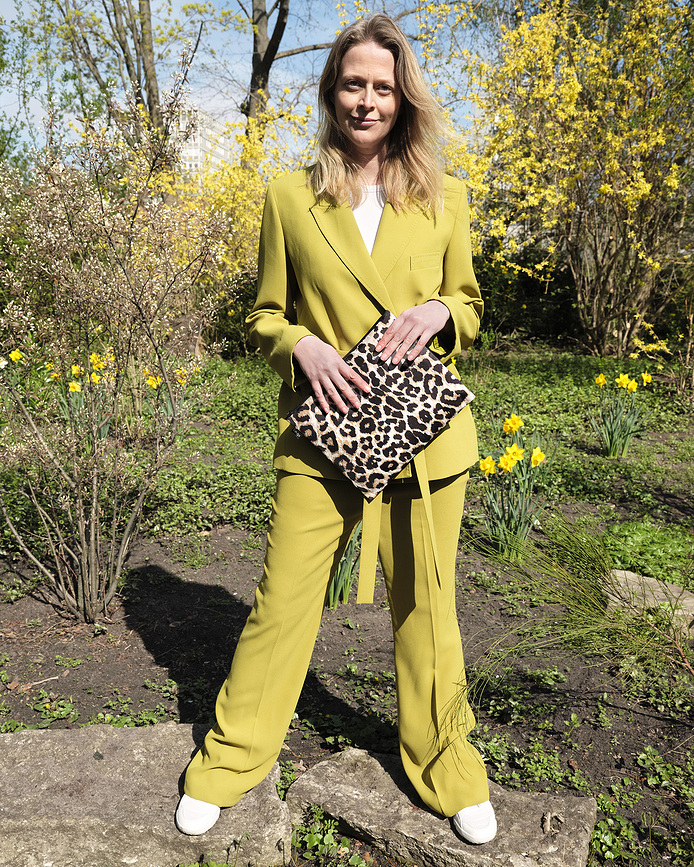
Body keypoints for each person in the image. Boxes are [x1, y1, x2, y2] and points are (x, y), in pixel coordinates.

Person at [175, 14, 496, 846]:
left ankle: (448, 765)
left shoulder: (445, 196)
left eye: (383, 87)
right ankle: (231, 758)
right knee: (281, 601)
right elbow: (264, 315)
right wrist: (301, 347)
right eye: (354, 83)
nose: (367, 100)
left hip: (425, 442)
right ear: (331, 91)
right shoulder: (291, 198)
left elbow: (469, 304)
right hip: (323, 438)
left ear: (403, 97)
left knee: (428, 606)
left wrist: (440, 312)